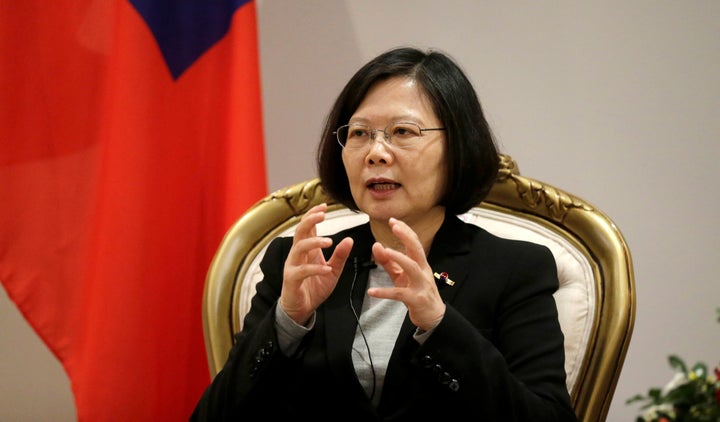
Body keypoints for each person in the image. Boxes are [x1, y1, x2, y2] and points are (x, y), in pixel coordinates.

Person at [190, 46, 577, 421]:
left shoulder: (514, 269)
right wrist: (287, 321)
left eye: (403, 131)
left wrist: (440, 325)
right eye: (359, 134)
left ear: (458, 147)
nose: (376, 153)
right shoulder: (303, 262)